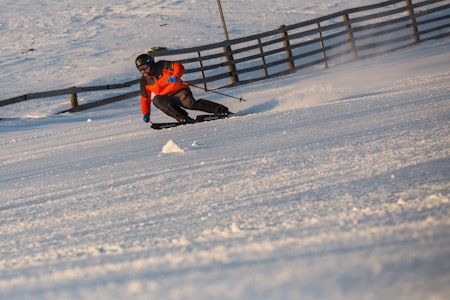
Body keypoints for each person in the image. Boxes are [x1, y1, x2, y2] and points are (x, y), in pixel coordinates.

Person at [135, 53, 230, 124]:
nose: (143, 71)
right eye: (140, 69)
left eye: (144, 67)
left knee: (190, 104)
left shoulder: (161, 65)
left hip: (179, 91)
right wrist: (146, 113)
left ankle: (221, 110)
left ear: (150, 63)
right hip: (166, 98)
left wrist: (176, 76)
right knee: (156, 100)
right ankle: (182, 117)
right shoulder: (144, 81)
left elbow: (178, 66)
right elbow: (145, 99)